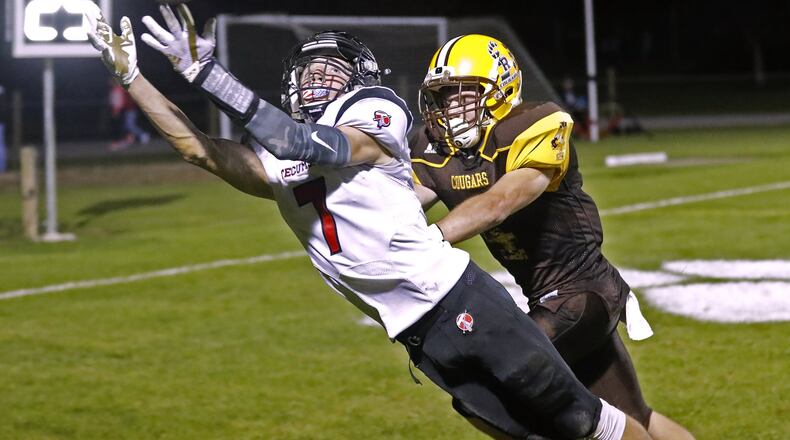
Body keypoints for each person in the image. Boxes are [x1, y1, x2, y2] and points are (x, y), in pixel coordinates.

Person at [85, 5, 652, 439]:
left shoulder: (374, 111)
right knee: (529, 429)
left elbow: (308, 143)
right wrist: (133, 77)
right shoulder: (276, 155)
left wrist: (207, 74)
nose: (316, 79)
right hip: (413, 330)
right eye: (308, 71)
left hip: (456, 298)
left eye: (330, 70)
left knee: (585, 422)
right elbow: (198, 149)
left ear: (358, 78)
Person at [409, 34, 694, 440]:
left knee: (492, 385)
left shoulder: (532, 125)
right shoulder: (433, 149)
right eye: (442, 97)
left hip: (584, 293)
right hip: (548, 300)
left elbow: (500, 202)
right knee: (636, 418)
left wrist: (428, 240)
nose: (449, 108)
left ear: (500, 89)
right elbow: (404, 208)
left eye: (462, 95)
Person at [109, 78, 150, 150]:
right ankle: (130, 139)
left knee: (129, 125)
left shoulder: (119, 89)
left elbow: (120, 102)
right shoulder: (119, 89)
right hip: (126, 110)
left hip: (129, 109)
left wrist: (116, 110)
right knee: (126, 126)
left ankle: (143, 135)